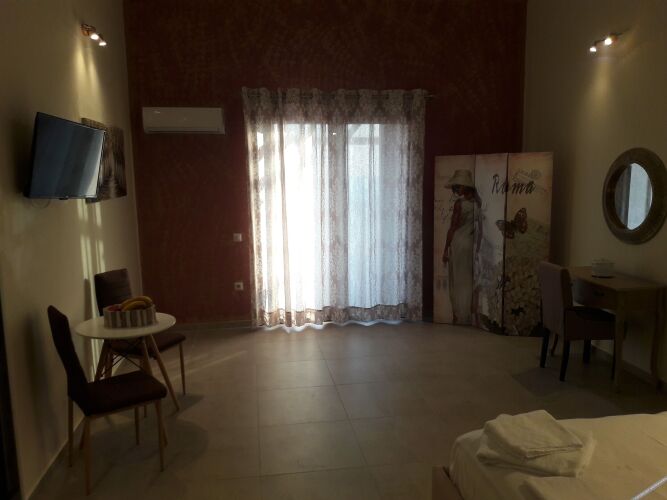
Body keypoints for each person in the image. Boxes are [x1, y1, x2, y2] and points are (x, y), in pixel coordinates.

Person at [442, 169, 479, 324]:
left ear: (465, 186)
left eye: (458, 186)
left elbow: (453, 228)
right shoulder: (478, 203)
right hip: (470, 244)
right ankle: (466, 315)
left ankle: (459, 315)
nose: (456, 189)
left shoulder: (460, 204)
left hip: (458, 244)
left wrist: (445, 249)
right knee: (467, 279)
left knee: (457, 279)